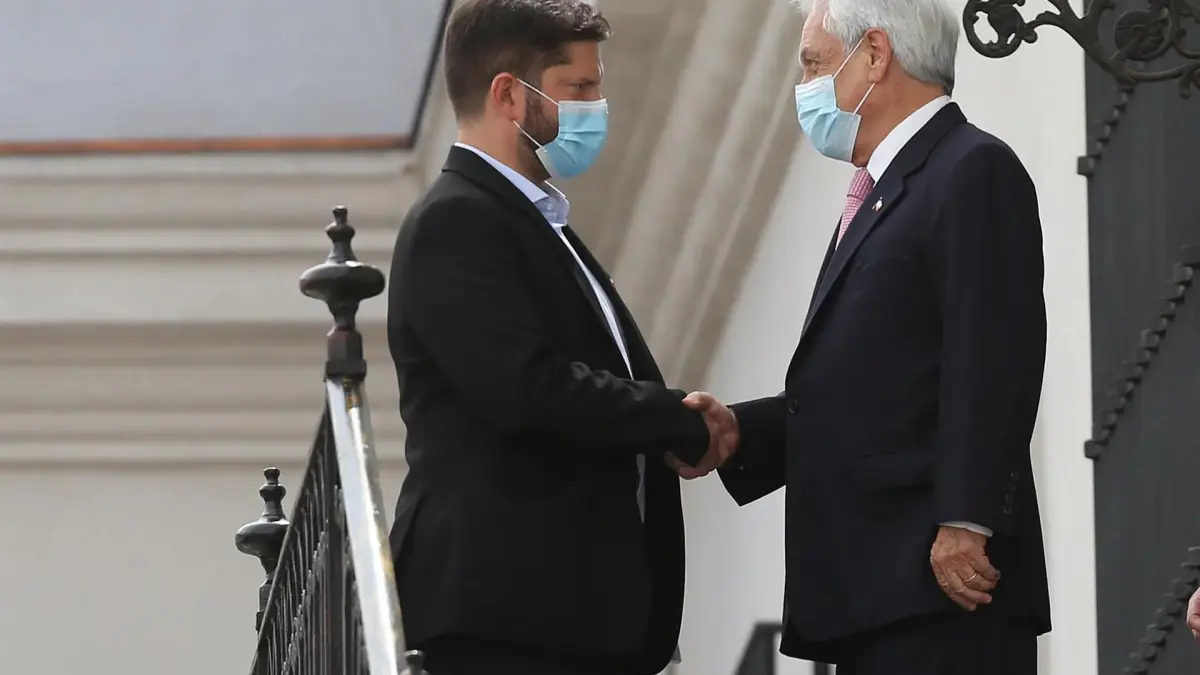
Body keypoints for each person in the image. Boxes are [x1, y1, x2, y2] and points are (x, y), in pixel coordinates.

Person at [680, 0, 1051, 671]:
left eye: (814, 65)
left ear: (875, 55)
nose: (804, 88)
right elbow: (875, 387)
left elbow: (995, 354)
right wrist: (741, 432)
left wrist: (967, 520)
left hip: (942, 587)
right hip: (877, 593)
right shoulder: (884, 191)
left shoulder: (970, 169)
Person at [385, 1, 736, 674]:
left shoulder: (540, 225)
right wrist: (675, 418)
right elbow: (528, 389)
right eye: (578, 87)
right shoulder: (455, 221)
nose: (596, 106)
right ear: (508, 95)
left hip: (566, 615)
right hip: (503, 615)